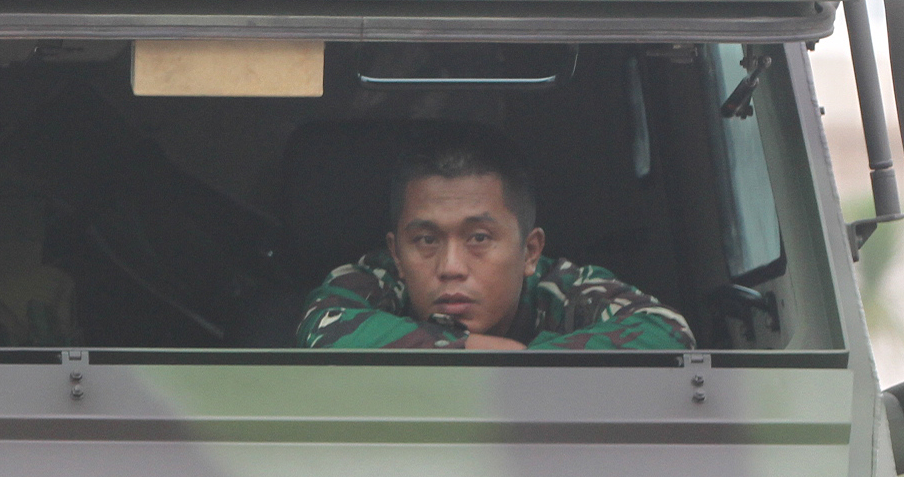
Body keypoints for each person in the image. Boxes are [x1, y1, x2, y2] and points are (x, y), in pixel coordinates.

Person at [296, 129, 693, 350]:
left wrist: (525, 367)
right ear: (397, 254)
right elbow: (321, 323)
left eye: (479, 238)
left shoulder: (565, 290)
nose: (451, 267)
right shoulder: (374, 282)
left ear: (530, 251)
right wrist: (463, 352)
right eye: (426, 240)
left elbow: (667, 332)